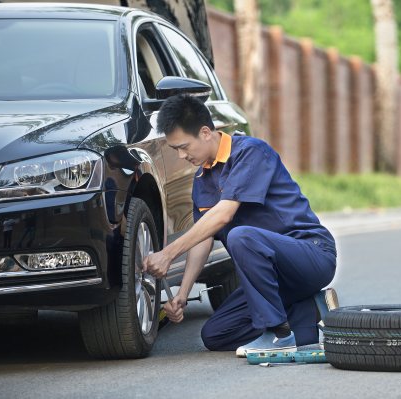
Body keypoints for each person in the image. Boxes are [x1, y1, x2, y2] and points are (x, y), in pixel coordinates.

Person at [143, 94, 338, 356]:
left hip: (310, 255)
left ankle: (278, 334)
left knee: (240, 236)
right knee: (215, 334)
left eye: (183, 146)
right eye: (175, 149)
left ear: (205, 133)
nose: (180, 156)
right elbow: (203, 239)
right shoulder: (202, 180)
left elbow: (224, 215)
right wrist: (183, 294)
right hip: (271, 279)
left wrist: (168, 253)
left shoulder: (251, 152)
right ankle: (309, 315)